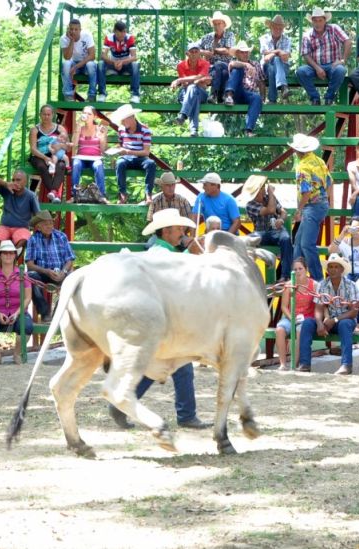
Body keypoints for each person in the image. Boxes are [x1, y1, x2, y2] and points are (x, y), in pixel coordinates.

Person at [109, 208, 211, 430]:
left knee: (161, 365)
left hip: (163, 318)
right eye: (178, 229)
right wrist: (191, 253)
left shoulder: (162, 251)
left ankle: (124, 403)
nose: (182, 232)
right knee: (176, 365)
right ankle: (185, 415)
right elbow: (174, 271)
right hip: (164, 319)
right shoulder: (160, 253)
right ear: (166, 231)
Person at [297, 253, 359, 375]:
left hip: (343, 320)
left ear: (342, 269)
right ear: (327, 269)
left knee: (345, 324)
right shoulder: (322, 285)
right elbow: (318, 308)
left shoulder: (351, 285)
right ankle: (304, 364)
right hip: (326, 321)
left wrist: (334, 320)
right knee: (308, 323)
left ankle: (346, 365)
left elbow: (354, 311)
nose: (333, 269)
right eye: (331, 266)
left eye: (337, 267)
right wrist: (320, 323)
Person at [0, 240, 33, 366]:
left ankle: (16, 355)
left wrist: (17, 313)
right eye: (5, 253)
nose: (8, 255)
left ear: (15, 255)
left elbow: (27, 297)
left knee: (26, 326)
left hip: (18, 311)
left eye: (11, 253)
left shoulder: (22, 275)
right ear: (0, 256)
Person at [288, 133, 331, 281]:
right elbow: (329, 183)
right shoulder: (319, 161)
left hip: (311, 206)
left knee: (306, 244)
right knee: (299, 243)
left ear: (297, 150)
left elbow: (305, 191)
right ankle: (296, 276)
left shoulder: (302, 166)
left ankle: (317, 279)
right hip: (322, 203)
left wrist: (299, 210)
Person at [25, 211, 75, 322]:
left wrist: (64, 271)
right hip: (43, 273)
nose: (49, 226)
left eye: (51, 223)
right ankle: (45, 313)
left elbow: (70, 259)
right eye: (45, 224)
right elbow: (30, 264)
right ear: (38, 227)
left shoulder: (61, 236)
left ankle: (58, 313)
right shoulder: (33, 240)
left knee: (74, 278)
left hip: (61, 271)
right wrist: (47, 271)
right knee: (30, 276)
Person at [296, 8, 352, 106]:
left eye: (320, 20)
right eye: (315, 20)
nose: (318, 23)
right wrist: (317, 68)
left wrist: (343, 59)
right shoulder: (307, 35)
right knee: (300, 71)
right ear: (312, 21)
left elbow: (347, 41)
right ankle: (315, 98)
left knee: (341, 70)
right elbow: (305, 54)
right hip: (314, 66)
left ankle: (329, 98)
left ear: (325, 20)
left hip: (333, 64)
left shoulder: (334, 28)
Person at [328, 217, 359, 323]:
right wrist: (342, 234)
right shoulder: (345, 242)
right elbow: (331, 250)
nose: (356, 230)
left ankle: (356, 321)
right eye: (353, 227)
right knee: (339, 288)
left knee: (358, 289)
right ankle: (341, 319)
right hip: (349, 274)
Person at [243, 174, 293, 281]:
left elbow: (283, 212)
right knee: (247, 241)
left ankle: (285, 276)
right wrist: (271, 193)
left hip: (276, 231)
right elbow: (270, 209)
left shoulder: (269, 198)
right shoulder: (250, 205)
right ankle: (247, 275)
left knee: (286, 239)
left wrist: (281, 219)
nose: (260, 192)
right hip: (260, 232)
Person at [109, 103, 156, 204]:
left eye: (124, 119)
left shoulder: (145, 129)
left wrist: (127, 151)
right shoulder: (121, 129)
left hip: (140, 158)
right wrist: (116, 151)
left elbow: (146, 152)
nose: (122, 122)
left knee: (151, 164)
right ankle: (122, 193)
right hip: (126, 158)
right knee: (120, 163)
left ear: (132, 117)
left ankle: (148, 194)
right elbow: (121, 145)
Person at [275, 258, 316, 371]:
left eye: (300, 268)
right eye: (295, 269)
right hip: (290, 317)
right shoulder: (288, 285)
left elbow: (318, 306)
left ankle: (294, 364)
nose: (298, 271)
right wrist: (292, 318)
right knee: (279, 330)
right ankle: (282, 364)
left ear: (306, 269)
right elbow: (284, 306)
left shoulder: (314, 285)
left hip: (307, 318)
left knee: (300, 331)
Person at [223, 41, 264, 137]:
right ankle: (229, 96)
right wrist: (245, 65)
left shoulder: (256, 64)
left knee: (257, 98)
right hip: (236, 91)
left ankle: (248, 130)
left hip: (248, 95)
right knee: (238, 69)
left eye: (246, 52)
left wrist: (263, 97)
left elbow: (261, 82)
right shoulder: (234, 62)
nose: (245, 54)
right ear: (237, 53)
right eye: (242, 52)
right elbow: (232, 64)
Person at [28, 104, 69, 202]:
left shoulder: (60, 129)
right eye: (44, 114)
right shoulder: (35, 130)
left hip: (56, 155)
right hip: (39, 156)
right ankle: (54, 192)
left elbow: (68, 147)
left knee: (61, 165)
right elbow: (33, 149)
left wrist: (60, 146)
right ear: (40, 115)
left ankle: (53, 192)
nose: (46, 117)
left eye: (49, 114)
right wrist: (45, 158)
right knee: (42, 166)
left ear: (53, 115)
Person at [0, 171, 40, 251]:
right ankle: (1, 262)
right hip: (4, 226)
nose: (15, 182)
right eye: (13, 180)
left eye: (18, 180)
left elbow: (38, 214)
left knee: (23, 240)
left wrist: (36, 229)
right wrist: (6, 184)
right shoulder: (7, 190)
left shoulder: (31, 196)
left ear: (25, 182)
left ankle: (13, 261)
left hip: (22, 228)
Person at [171, 42, 211, 137]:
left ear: (199, 53)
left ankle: (183, 115)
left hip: (202, 94)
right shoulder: (181, 65)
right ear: (187, 54)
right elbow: (186, 84)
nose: (194, 54)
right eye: (191, 52)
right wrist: (198, 81)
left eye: (196, 51)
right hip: (186, 93)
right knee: (194, 93)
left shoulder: (205, 63)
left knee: (193, 89)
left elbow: (199, 77)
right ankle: (194, 129)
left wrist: (180, 80)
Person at [70, 105, 108, 202]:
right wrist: (78, 126)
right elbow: (74, 144)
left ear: (94, 117)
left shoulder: (99, 128)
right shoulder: (80, 128)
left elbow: (103, 150)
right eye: (84, 113)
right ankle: (74, 195)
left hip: (95, 158)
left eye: (89, 114)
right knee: (76, 163)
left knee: (99, 165)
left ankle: (101, 195)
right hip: (81, 158)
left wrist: (103, 136)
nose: (86, 115)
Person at [97, 20, 140, 104]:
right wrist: (113, 63)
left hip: (126, 64)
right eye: (120, 33)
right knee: (101, 63)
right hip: (113, 64)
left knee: (135, 65)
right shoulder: (108, 37)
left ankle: (135, 95)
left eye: (124, 32)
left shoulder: (129, 37)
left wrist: (122, 62)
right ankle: (102, 93)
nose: (123, 35)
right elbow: (103, 55)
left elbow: (134, 57)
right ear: (115, 32)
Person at [199, 10, 235, 104]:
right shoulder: (207, 37)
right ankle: (220, 97)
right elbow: (196, 49)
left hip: (225, 66)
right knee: (221, 72)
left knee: (219, 65)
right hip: (210, 69)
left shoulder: (229, 35)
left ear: (224, 24)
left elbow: (228, 51)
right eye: (215, 24)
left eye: (219, 23)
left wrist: (214, 51)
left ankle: (214, 94)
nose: (217, 26)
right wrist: (205, 52)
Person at [60, 18, 97, 101]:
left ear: (80, 30)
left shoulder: (87, 36)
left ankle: (92, 95)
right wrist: (71, 41)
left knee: (91, 64)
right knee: (66, 64)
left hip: (85, 64)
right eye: (71, 29)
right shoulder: (63, 38)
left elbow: (92, 56)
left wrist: (76, 67)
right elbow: (67, 57)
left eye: (76, 29)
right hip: (73, 63)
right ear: (68, 29)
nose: (73, 31)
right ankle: (68, 94)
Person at [259, 14, 292, 104]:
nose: (278, 30)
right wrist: (278, 52)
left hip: (283, 67)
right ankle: (284, 87)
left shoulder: (287, 39)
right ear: (271, 27)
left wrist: (272, 54)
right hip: (265, 68)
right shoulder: (264, 38)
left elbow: (285, 56)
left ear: (283, 29)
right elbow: (264, 53)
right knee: (270, 67)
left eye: (280, 28)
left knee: (275, 63)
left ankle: (272, 100)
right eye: (275, 27)